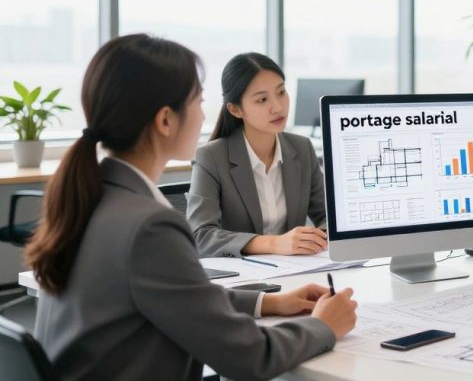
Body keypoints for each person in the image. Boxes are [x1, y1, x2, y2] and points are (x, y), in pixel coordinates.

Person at [26, 34, 358, 381]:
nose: (203, 116)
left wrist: (270, 302)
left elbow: (181, 299)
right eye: (198, 101)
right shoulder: (149, 226)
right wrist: (323, 327)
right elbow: (250, 358)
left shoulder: (96, 196)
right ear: (166, 120)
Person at [187, 53, 328, 257]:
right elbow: (201, 236)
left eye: (281, 92)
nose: (278, 107)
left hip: (299, 270)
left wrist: (319, 237)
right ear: (235, 110)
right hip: (243, 280)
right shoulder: (211, 157)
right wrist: (273, 244)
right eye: (262, 100)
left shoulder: (302, 148)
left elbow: (330, 216)